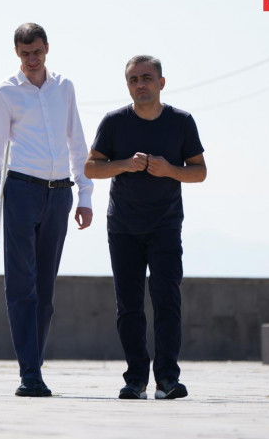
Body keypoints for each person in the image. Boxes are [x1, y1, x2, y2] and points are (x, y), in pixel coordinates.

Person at [0, 23, 93, 397]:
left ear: (47, 49)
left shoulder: (64, 87)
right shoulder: (5, 93)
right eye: (25, 53)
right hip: (21, 192)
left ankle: (35, 367)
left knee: (45, 291)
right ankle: (29, 373)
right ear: (17, 52)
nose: (32, 59)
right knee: (21, 286)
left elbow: (77, 142)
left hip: (59, 194)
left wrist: (85, 195)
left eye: (37, 52)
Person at [84, 55, 207, 400]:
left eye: (147, 78)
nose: (141, 84)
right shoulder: (114, 122)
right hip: (123, 226)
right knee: (129, 306)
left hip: (165, 225)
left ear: (161, 83)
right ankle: (135, 379)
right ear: (128, 86)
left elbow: (199, 171)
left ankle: (167, 379)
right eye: (134, 79)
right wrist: (124, 164)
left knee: (167, 300)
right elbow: (91, 167)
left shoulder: (181, 121)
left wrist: (170, 170)